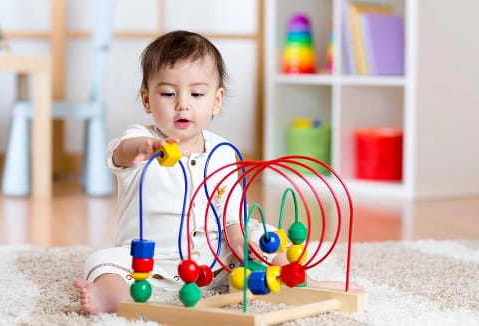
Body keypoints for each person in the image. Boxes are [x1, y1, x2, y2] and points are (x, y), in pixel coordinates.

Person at [74, 30, 362, 315]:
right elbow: (120, 152)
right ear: (147, 100)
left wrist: (238, 242)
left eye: (197, 93)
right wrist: (144, 149)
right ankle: (111, 299)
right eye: (167, 93)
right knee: (103, 262)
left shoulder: (223, 152)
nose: (182, 104)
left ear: (217, 101)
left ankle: (304, 283)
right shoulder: (140, 140)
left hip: (217, 263)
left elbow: (233, 213)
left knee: (269, 237)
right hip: (150, 265)